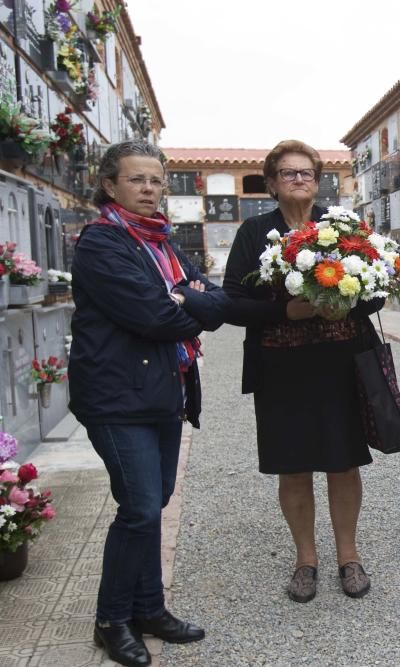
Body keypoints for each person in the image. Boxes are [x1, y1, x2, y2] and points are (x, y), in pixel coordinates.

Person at [69, 140, 228, 667]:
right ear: (110, 186)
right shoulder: (102, 243)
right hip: (117, 397)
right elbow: (155, 316)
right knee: (138, 509)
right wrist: (191, 304)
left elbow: (214, 297)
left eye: (157, 181)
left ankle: (149, 608)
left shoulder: (162, 242)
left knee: (152, 504)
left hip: (161, 389)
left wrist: (192, 300)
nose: (150, 190)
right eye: (137, 180)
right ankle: (112, 620)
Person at [224, 140, 384, 604]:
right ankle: (305, 560)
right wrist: (285, 311)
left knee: (343, 461)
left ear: (318, 180)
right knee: (293, 467)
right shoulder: (255, 234)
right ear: (271, 183)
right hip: (281, 370)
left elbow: (378, 290)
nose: (299, 180)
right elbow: (232, 300)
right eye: (288, 173)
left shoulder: (343, 228)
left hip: (339, 365)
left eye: (307, 173)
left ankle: (348, 556)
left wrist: (346, 306)